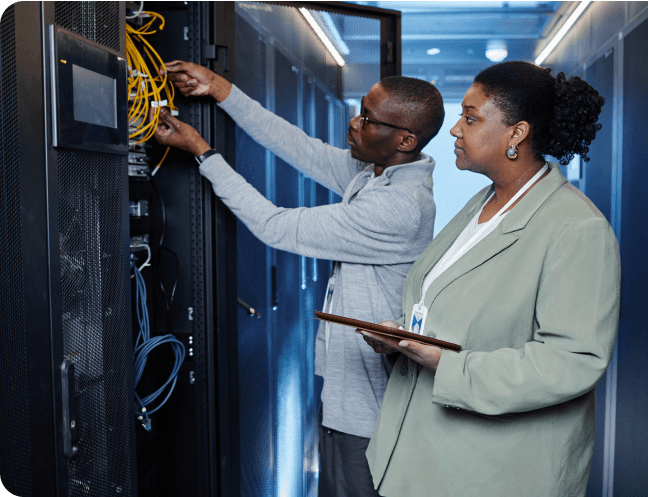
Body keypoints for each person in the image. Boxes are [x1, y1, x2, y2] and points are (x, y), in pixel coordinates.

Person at [150, 61, 445, 497]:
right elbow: (298, 148)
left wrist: (203, 153)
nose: (354, 122)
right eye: (360, 109)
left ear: (405, 140)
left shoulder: (398, 207)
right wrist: (220, 88)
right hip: (351, 399)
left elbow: (275, 226)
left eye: (367, 119)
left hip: (366, 411)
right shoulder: (379, 174)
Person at [359, 60, 619, 496]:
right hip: (421, 454)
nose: (455, 129)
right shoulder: (482, 204)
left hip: (491, 473)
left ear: (516, 134)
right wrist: (404, 338)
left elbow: (572, 361)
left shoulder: (576, 228)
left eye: (471, 117)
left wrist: (447, 363)